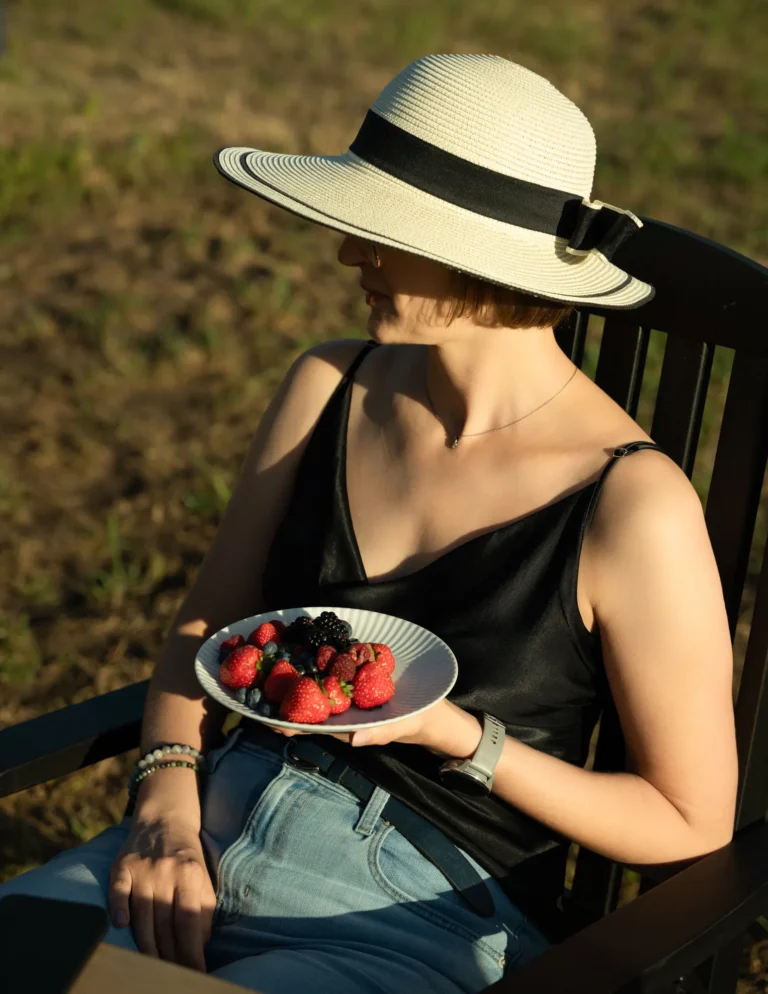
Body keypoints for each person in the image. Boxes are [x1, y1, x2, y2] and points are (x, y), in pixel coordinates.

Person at [0, 54, 737, 994]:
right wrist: (165, 799)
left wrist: (461, 737)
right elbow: (207, 622)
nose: (350, 254)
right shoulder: (330, 386)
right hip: (199, 834)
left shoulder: (633, 505)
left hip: (406, 913)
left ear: (475, 254)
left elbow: (688, 818)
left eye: (382, 232)